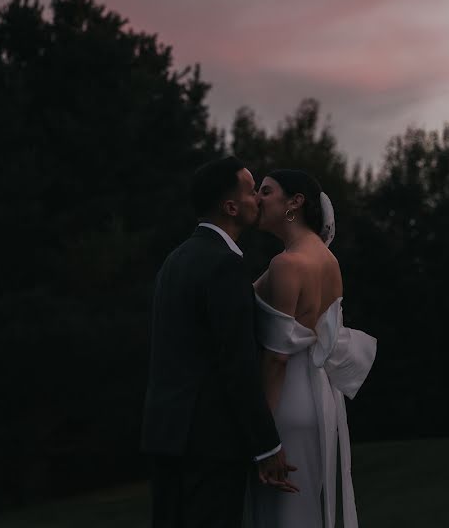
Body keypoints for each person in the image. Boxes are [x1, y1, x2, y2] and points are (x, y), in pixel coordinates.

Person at [141, 157, 297, 528]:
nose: (258, 198)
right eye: (250, 191)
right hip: (210, 443)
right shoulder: (223, 265)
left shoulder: (175, 260)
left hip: (166, 435)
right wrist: (267, 445)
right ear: (230, 207)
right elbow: (237, 365)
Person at [247, 169, 377, 528]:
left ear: (295, 203)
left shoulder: (287, 264)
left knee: (282, 516)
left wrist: (265, 437)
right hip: (320, 398)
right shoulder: (326, 260)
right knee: (305, 511)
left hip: (286, 402)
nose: (258, 198)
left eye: (267, 191)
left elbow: (276, 358)